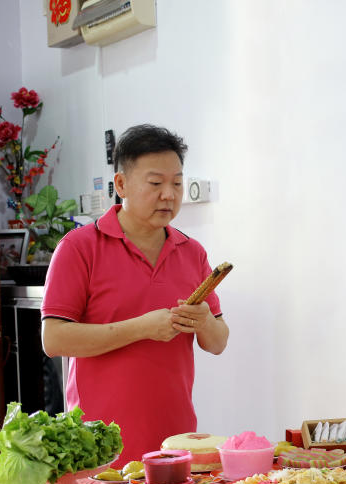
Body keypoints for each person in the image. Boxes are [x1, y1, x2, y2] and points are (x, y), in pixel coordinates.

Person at [41, 124, 229, 465]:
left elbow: (217, 342)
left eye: (176, 182)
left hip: (177, 439)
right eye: (156, 183)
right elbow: (53, 338)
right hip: (97, 443)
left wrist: (203, 321)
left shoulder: (192, 252)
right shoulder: (79, 247)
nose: (169, 194)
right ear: (121, 184)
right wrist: (142, 328)